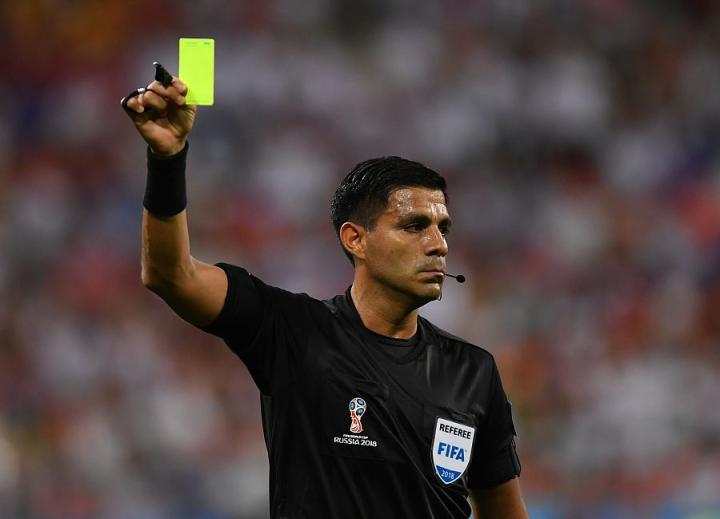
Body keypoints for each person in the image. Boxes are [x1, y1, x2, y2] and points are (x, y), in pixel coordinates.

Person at [121, 72, 529, 519]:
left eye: (442, 228)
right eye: (414, 226)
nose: (439, 244)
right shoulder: (293, 332)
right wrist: (167, 160)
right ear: (356, 239)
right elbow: (170, 275)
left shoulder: (473, 372)